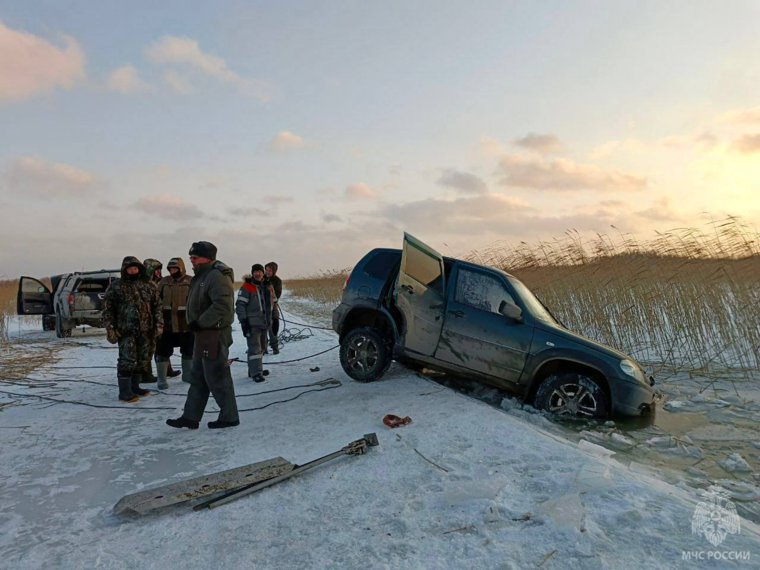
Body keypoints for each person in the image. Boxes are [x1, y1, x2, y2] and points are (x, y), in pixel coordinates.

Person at [166, 241, 240, 430]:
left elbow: (222, 305)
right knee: (198, 377)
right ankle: (190, 417)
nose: (191, 260)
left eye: (195, 257)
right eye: (191, 257)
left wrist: (202, 321)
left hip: (214, 334)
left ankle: (229, 416)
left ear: (207, 258)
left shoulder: (216, 277)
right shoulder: (201, 276)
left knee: (217, 377)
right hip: (203, 335)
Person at [103, 256, 163, 402]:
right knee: (127, 360)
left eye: (135, 268)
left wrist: (159, 324)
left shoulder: (149, 285)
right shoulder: (116, 286)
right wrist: (110, 328)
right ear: (125, 270)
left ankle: (135, 387)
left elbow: (158, 307)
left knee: (142, 359)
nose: (133, 271)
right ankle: (124, 392)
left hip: (146, 330)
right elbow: (107, 309)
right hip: (126, 330)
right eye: (130, 268)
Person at [155, 257, 194, 389]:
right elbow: (156, 300)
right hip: (167, 324)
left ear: (181, 268)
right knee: (162, 351)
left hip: (186, 324)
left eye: (175, 268)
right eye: (170, 268)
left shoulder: (191, 281)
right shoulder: (164, 282)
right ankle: (161, 379)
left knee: (188, 351)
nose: (173, 270)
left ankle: (188, 375)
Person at [236, 264, 274, 383]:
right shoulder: (247, 287)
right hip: (252, 324)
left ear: (263, 273)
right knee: (255, 349)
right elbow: (240, 306)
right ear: (252, 273)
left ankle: (254, 369)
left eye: (260, 271)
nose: (258, 274)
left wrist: (274, 318)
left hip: (264, 323)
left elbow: (273, 302)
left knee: (262, 347)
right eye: (255, 272)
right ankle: (256, 373)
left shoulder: (266, 285)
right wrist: (243, 322)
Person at [264, 261, 282, 355]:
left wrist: (271, 290)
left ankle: (275, 347)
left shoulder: (277, 281)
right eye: (266, 270)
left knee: (273, 329)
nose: (267, 272)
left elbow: (277, 295)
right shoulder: (261, 279)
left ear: (274, 271)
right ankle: (264, 348)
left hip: (273, 307)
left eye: (270, 270)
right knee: (263, 329)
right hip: (262, 308)